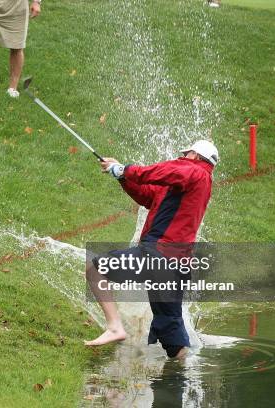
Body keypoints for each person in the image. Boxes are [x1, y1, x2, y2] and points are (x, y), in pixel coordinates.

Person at [84, 140, 219, 359]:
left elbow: (167, 170)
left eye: (186, 154)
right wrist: (122, 176)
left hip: (159, 255)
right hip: (173, 264)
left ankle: (115, 327)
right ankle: (182, 380)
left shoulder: (195, 171)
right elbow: (147, 196)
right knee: (172, 334)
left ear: (195, 155)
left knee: (95, 269)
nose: (182, 158)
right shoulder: (185, 184)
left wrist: (126, 169)